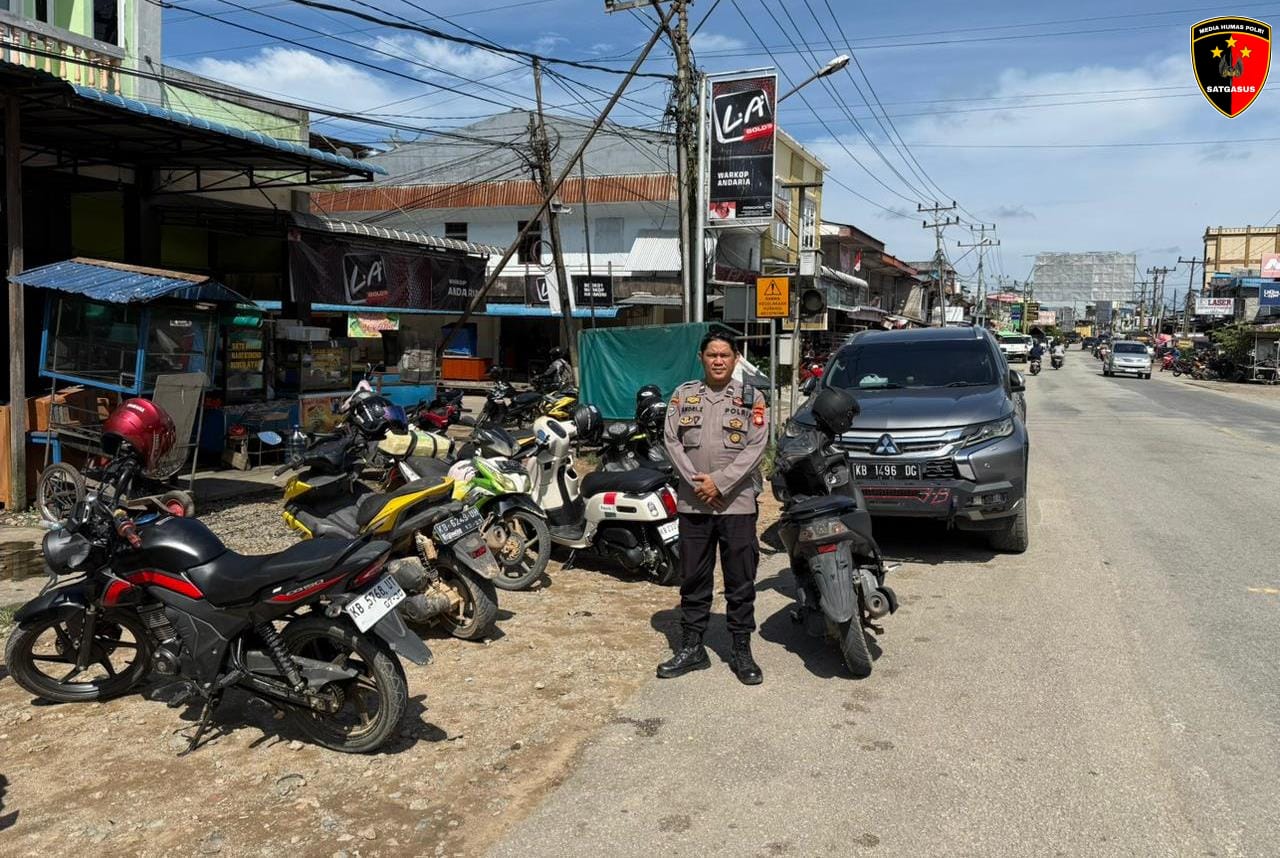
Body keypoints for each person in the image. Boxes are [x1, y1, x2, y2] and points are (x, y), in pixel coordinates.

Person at [658, 331, 769, 685]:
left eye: (725, 355)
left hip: (736, 504)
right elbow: (671, 440)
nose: (718, 361)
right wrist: (698, 483)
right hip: (694, 504)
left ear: (736, 358)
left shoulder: (752, 397)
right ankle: (693, 648)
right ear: (701, 358)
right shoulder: (683, 395)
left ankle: (741, 649)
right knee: (693, 578)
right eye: (712, 355)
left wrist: (719, 483)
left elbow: (756, 447)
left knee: (740, 580)